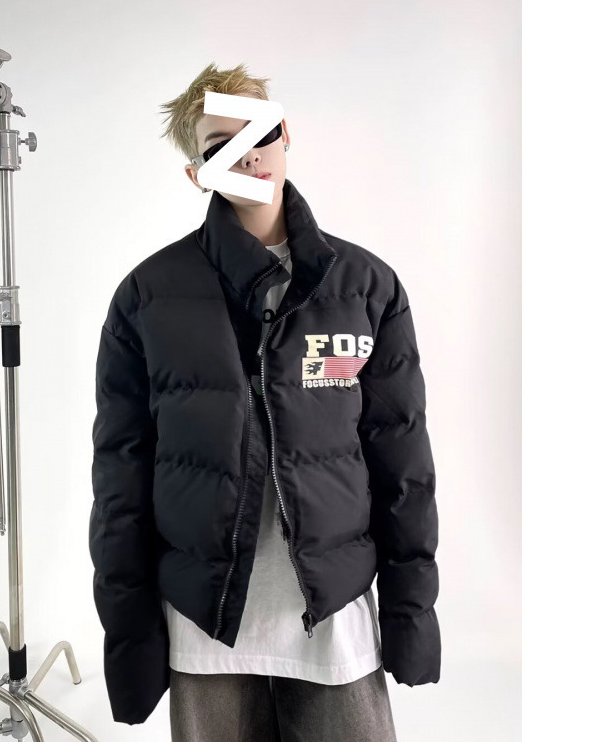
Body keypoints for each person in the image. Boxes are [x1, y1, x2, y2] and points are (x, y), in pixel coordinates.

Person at [89, 62, 441, 740]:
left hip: (334, 616)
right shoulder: (146, 297)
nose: (247, 153)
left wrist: (411, 615)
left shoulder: (368, 288)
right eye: (220, 145)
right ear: (198, 174)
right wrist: (130, 639)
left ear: (285, 134)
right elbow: (120, 484)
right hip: (205, 625)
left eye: (259, 133)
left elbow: (404, 467)